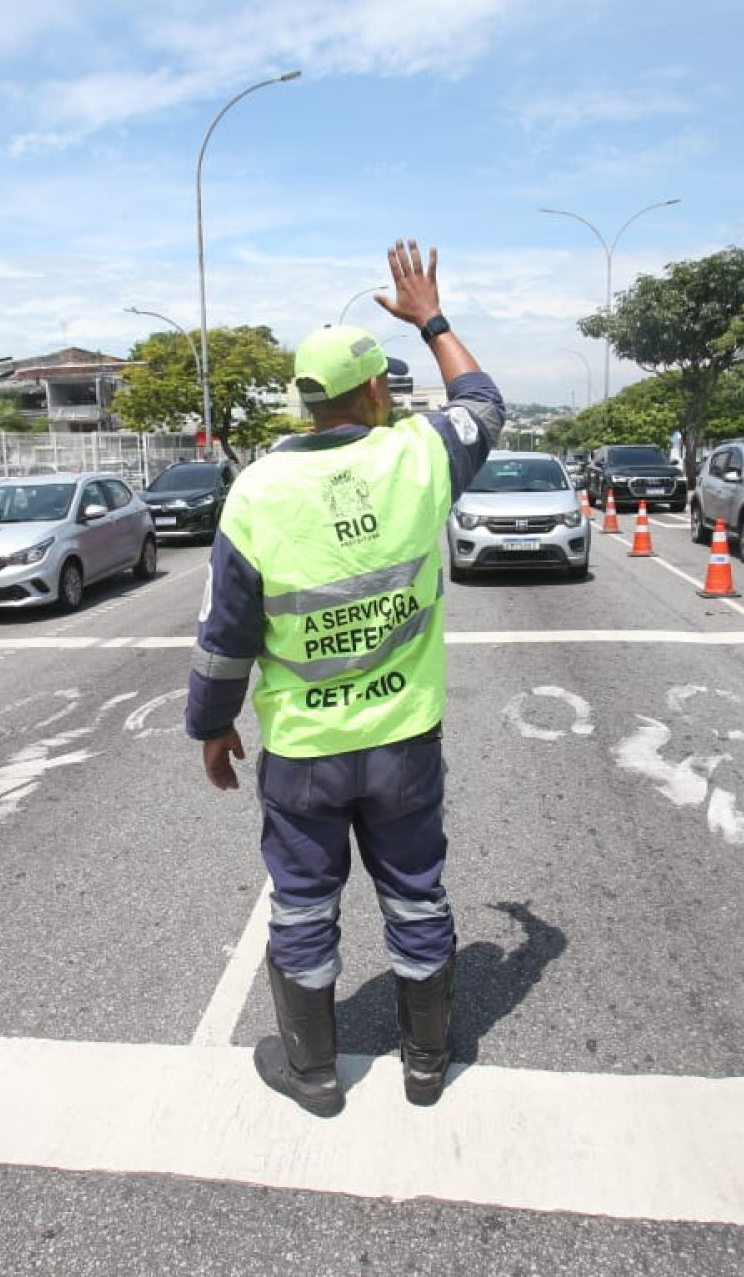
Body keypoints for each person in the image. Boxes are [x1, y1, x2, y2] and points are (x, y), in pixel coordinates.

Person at [185, 239, 501, 1118]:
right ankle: (427, 1064)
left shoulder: (255, 491)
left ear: (302, 400)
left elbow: (224, 635)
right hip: (402, 743)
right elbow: (484, 400)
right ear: (375, 392)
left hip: (305, 753)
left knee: (301, 908)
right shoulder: (419, 457)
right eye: (388, 387)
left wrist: (210, 727)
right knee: (415, 893)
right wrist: (430, 317)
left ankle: (316, 1074)